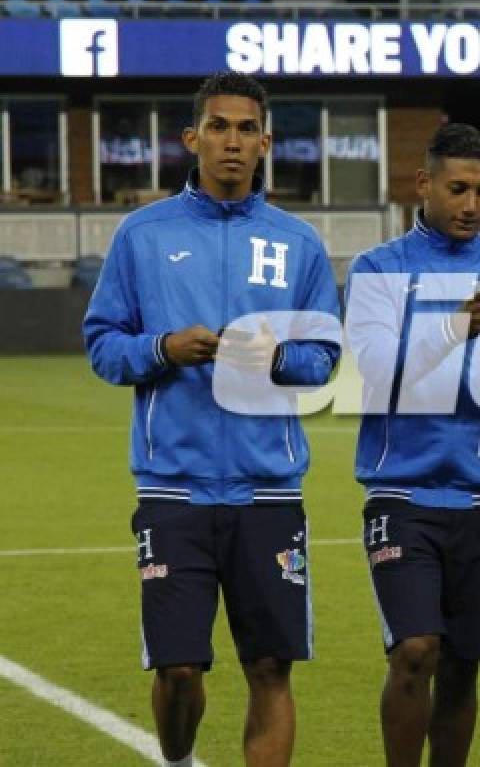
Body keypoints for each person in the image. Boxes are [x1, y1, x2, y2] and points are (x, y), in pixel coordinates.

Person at [83, 71, 341, 767]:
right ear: (192, 138)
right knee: (177, 670)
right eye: (219, 127)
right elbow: (103, 347)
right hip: (175, 487)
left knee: (270, 668)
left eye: (246, 128)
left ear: (266, 142)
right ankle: (177, 760)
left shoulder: (299, 243)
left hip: (268, 489)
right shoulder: (143, 235)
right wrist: (163, 348)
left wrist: (277, 357)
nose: (233, 141)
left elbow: (324, 358)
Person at [345, 123, 480, 767]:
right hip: (403, 491)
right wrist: (460, 326)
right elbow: (376, 370)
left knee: (460, 666)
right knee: (415, 650)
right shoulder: (378, 270)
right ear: (423, 184)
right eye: (458, 189)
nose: (472, 206)